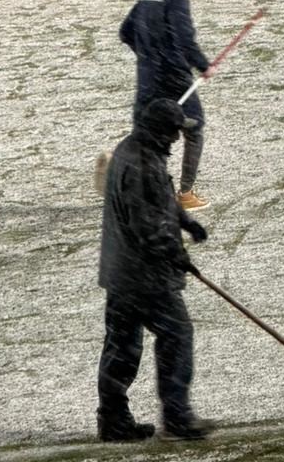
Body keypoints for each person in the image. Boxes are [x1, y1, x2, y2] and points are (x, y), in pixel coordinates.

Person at [96, 97, 213, 443]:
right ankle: (176, 418)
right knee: (177, 335)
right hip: (145, 276)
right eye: (175, 132)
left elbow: (159, 200)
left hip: (120, 272)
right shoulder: (143, 164)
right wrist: (177, 255)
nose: (178, 139)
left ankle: (113, 420)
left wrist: (185, 221)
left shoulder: (131, 150)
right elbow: (148, 226)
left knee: (122, 346)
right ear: (162, 132)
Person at [120, 0, 211, 211]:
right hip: (174, 79)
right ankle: (186, 194)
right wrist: (203, 65)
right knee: (193, 128)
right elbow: (185, 39)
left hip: (147, 79)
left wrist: (146, 55)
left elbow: (125, 32)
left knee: (147, 132)